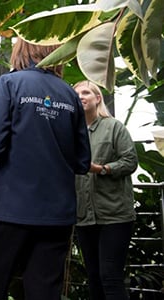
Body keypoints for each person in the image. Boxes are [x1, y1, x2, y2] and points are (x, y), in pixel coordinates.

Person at [0, 38, 91, 300]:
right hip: (56, 214)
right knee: (44, 292)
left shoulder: (8, 84)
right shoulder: (70, 94)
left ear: (22, 50)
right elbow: (82, 161)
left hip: (8, 209)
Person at [73, 80, 138, 300]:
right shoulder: (72, 133)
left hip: (114, 216)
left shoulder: (114, 127)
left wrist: (102, 169)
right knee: (93, 276)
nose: (80, 96)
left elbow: (130, 161)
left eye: (86, 92)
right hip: (84, 218)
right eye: (76, 94)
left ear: (97, 98)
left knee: (110, 276)